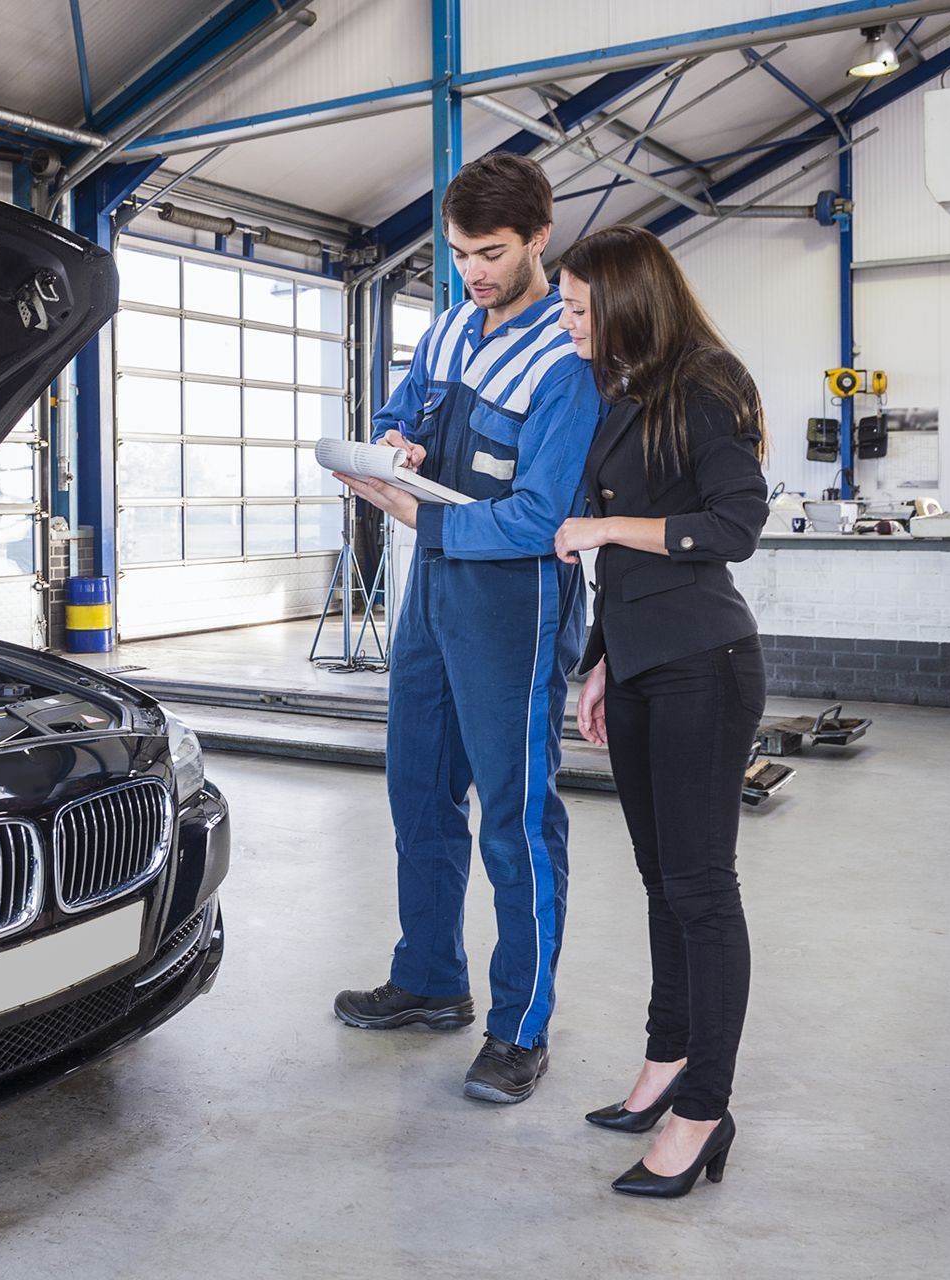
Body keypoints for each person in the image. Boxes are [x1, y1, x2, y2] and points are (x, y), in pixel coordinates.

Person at [331, 153, 601, 1106]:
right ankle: (429, 977)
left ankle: (520, 1026)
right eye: (457, 256)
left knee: (517, 819)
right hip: (432, 594)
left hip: (515, 606)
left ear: (539, 236)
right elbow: (404, 412)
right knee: (417, 790)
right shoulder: (444, 330)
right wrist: (390, 442)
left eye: (490, 253)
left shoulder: (568, 361)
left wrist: (415, 517)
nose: (473, 273)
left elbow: (537, 516)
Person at [549, 224, 769, 1198]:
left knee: (701, 889)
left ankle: (705, 1107)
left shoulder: (709, 383)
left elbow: (735, 524)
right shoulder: (622, 394)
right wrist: (600, 660)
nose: (566, 321)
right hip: (639, 661)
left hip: (703, 664)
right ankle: (664, 1061)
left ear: (629, 301)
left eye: (577, 306)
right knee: (659, 882)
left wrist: (597, 524)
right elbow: (624, 568)